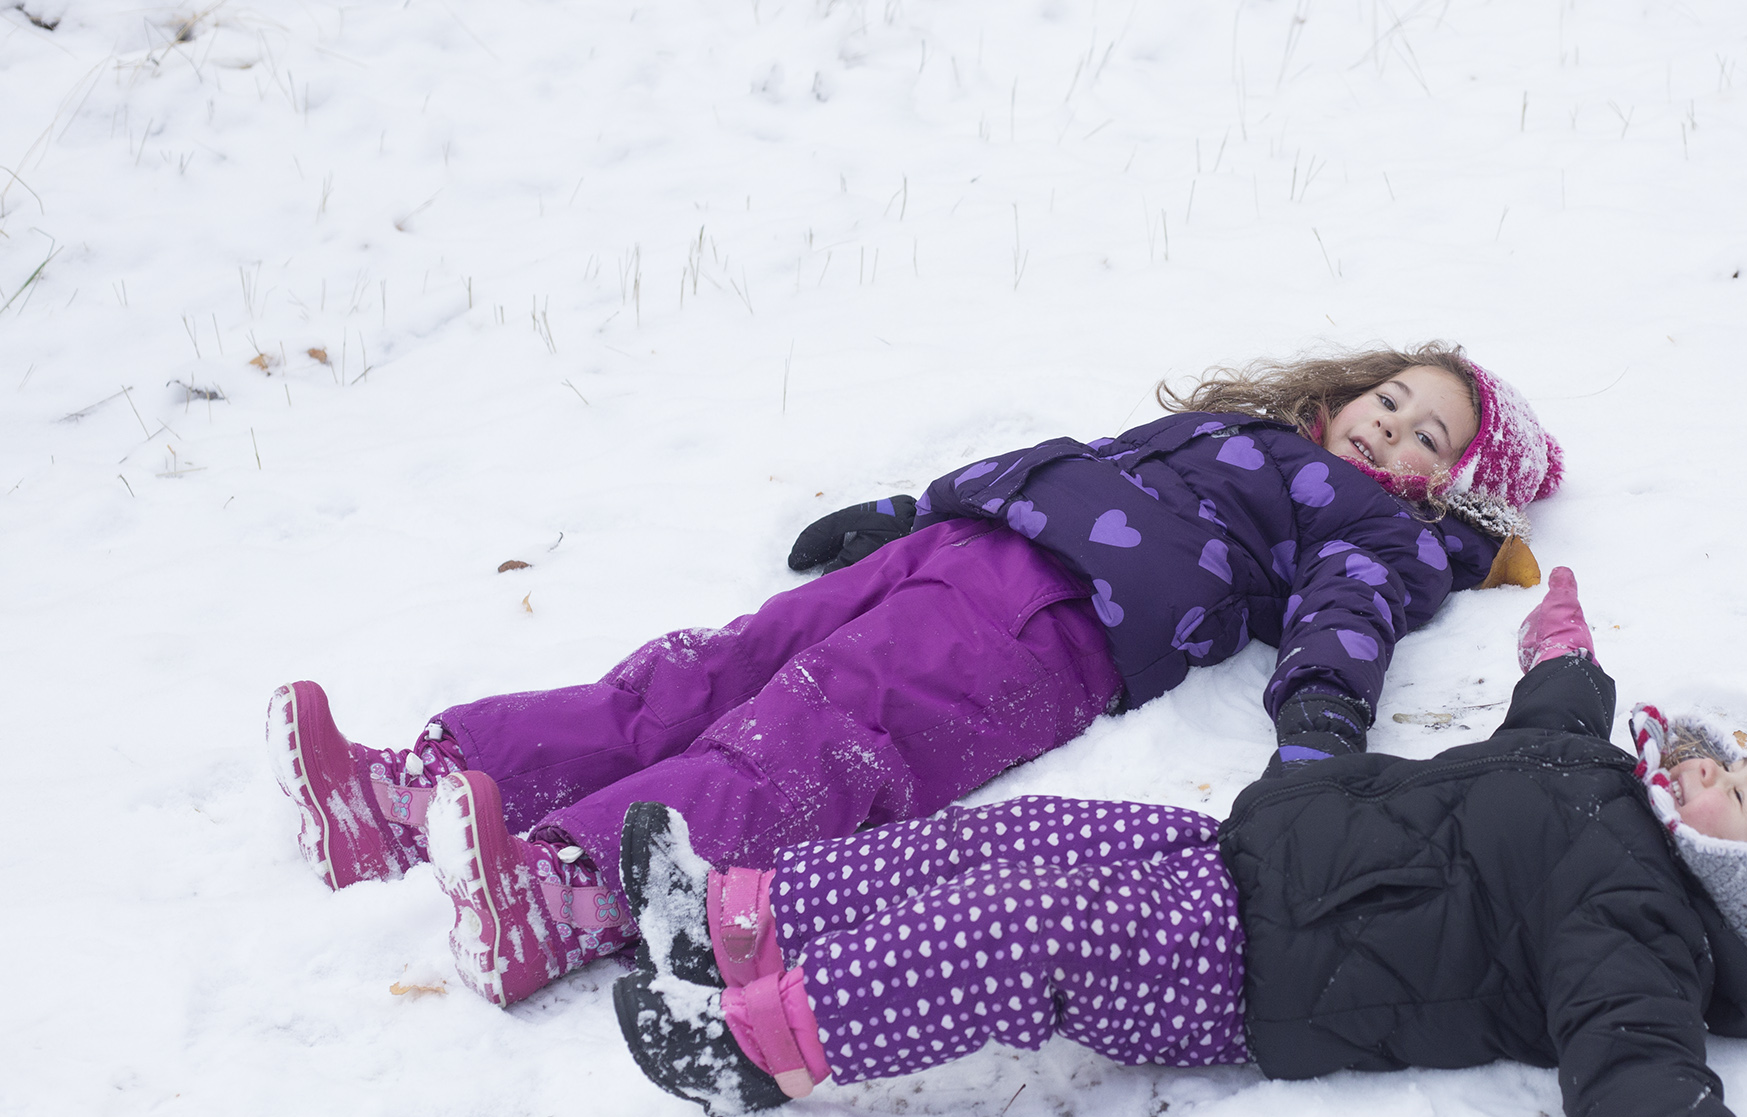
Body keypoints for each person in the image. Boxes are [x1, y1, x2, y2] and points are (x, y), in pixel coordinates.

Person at [610, 569, 1747, 1117]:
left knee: (1023, 933)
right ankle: (741, 915)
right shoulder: (1606, 779)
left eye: (1737, 800)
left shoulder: (1638, 933)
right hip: (1246, 851)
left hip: (1259, 970)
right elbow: (1556, 716)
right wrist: (1562, 646)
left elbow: (1635, 1066)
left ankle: (759, 1046)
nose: (1714, 773)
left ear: (1744, 897)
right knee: (1007, 848)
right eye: (1741, 765)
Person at [268, 343, 1563, 1005]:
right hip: (969, 545)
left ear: (1461, 484)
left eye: (1429, 431)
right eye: (1392, 396)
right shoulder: (1239, 432)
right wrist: (903, 512)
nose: (1391, 422)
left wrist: (1322, 733)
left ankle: (560, 892)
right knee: (705, 671)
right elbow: (1063, 458)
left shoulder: (1378, 528)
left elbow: (1347, 620)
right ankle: (410, 791)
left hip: (1055, 626)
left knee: (811, 740)